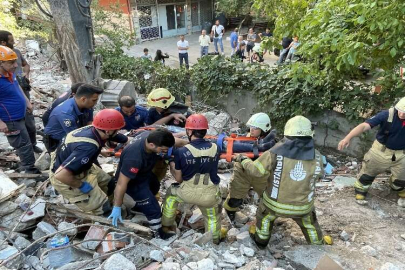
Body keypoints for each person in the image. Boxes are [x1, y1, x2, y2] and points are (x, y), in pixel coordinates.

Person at [243, 116, 328, 248]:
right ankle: (318, 246)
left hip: (274, 206)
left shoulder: (274, 153)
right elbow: (319, 175)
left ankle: (261, 241)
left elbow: (256, 171)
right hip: (303, 207)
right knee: (310, 224)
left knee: (264, 217)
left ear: (287, 133)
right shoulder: (317, 156)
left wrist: (243, 160)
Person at [49, 109, 128, 215]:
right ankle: (103, 214)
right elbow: (60, 175)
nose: (117, 132)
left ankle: (109, 202)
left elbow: (113, 135)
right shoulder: (87, 148)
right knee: (101, 207)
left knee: (109, 183)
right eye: (117, 130)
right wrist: (81, 185)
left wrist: (126, 140)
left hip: (81, 166)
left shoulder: (93, 129)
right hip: (67, 176)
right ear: (108, 131)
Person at [162, 114, 222, 244]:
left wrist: (172, 164)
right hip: (209, 195)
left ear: (189, 131)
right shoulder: (217, 148)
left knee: (170, 196)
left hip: (186, 194)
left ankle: (166, 226)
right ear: (205, 131)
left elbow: (178, 179)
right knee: (212, 216)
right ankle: (214, 240)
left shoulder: (181, 152)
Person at [338, 98, 405, 207]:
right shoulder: (387, 115)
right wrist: (347, 138)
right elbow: (364, 125)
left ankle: (399, 189)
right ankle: (360, 192)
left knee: (401, 179)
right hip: (380, 151)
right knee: (368, 174)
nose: (402, 114)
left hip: (402, 154)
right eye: (400, 110)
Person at [109, 129, 176, 239]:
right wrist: (117, 206)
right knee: (154, 209)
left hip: (145, 173)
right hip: (134, 181)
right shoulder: (134, 158)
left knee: (155, 185)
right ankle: (158, 233)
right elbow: (121, 184)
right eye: (162, 150)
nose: (164, 152)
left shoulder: (149, 136)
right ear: (151, 145)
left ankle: (138, 207)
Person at [223, 113, 277, 220]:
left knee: (268, 200)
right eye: (251, 127)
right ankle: (231, 216)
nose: (251, 130)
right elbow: (232, 147)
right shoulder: (245, 139)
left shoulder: (271, 143)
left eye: (255, 128)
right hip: (242, 173)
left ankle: (264, 219)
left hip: (261, 175)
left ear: (264, 129)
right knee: (235, 199)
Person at [0, 45, 40, 174]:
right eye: (11, 62)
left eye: (15, 62)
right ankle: (29, 169)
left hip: (20, 114)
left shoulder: (9, 74)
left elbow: (18, 89)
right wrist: (0, 122)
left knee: (27, 138)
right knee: (23, 143)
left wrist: (27, 102)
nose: (15, 65)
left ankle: (26, 165)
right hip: (10, 119)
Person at [44, 84, 103, 152]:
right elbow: (75, 137)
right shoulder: (66, 113)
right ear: (83, 99)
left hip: (75, 134)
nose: (95, 103)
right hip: (57, 141)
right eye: (94, 100)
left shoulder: (87, 106)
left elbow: (89, 124)